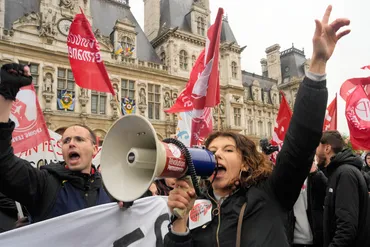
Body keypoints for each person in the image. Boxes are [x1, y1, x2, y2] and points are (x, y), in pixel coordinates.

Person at [164, 5, 350, 246]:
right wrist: (179, 222)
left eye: (228, 150)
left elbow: (300, 143)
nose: (217, 153)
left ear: (246, 162)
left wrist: (317, 66)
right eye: (211, 151)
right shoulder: (198, 207)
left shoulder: (270, 193)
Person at [0, 64, 114, 223]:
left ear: (95, 149)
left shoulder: (110, 188)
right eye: (66, 140)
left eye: (79, 139)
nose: (71, 144)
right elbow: (4, 164)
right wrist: (6, 96)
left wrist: (129, 204)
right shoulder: (44, 183)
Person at [316, 130, 370, 247]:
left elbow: (347, 228)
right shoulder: (339, 172)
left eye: (318, 146)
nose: (315, 151)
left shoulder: (345, 174)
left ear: (327, 148)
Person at [287, 157, 327, 247]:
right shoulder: (286, 179)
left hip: (315, 238)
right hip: (292, 240)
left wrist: (315, 173)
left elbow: (327, 192)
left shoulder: (315, 176)